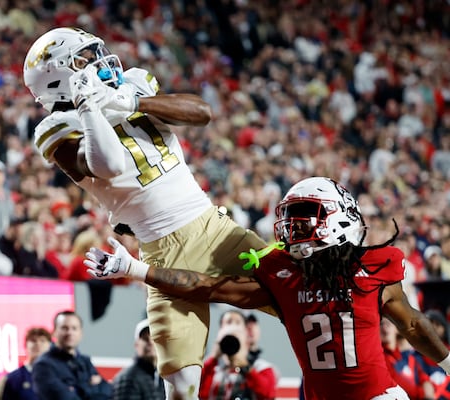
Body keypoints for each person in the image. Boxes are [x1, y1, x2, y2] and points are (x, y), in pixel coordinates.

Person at [23, 27, 266, 399]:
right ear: (59, 78)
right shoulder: (55, 127)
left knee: (299, 296)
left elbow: (201, 113)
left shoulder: (132, 84)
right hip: (161, 248)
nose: (98, 61)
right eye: (83, 59)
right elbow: (109, 165)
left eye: (95, 51)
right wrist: (90, 109)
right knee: (181, 388)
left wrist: (132, 104)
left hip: (217, 229)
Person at [85, 177, 450, 400]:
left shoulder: (375, 265)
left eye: (306, 212)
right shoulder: (284, 275)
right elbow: (207, 287)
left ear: (342, 215)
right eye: (290, 216)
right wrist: (135, 268)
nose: (294, 224)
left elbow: (413, 325)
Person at [31, 310, 112, 400]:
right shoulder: (43, 366)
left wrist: (76, 389)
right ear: (54, 332)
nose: (70, 333)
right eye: (64, 328)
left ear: (81, 333)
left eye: (74, 328)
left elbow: (107, 391)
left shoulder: (85, 361)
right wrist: (90, 387)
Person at [199, 310, 277, 400]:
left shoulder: (262, 368)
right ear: (220, 330)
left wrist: (245, 366)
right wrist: (213, 358)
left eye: (237, 323)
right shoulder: (211, 367)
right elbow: (196, 391)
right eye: (229, 322)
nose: (233, 327)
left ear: (246, 332)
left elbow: (268, 394)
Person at [380, 316, 435, 399]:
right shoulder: (380, 358)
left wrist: (427, 384)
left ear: (397, 329)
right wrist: (422, 394)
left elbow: (423, 376)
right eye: (381, 324)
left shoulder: (409, 356)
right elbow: (395, 381)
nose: (384, 327)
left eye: (388, 324)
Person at [112, 318, 166, 400]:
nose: (150, 342)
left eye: (154, 337)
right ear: (136, 345)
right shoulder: (127, 378)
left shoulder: (161, 376)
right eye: (145, 338)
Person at [0, 326, 52, 400]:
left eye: (42, 340)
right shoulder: (12, 379)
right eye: (33, 340)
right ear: (25, 345)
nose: (38, 344)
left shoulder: (60, 376)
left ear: (50, 346)